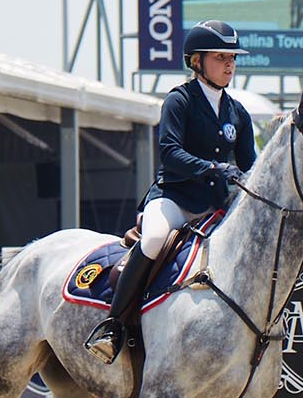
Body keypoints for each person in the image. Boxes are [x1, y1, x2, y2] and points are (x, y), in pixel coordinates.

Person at [85, 20, 255, 362]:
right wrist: (212, 167)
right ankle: (114, 326)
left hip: (217, 207)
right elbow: (170, 152)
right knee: (152, 240)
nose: (229, 65)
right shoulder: (180, 101)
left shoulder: (238, 112)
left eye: (232, 58)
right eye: (220, 57)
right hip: (175, 199)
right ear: (196, 61)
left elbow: (250, 165)